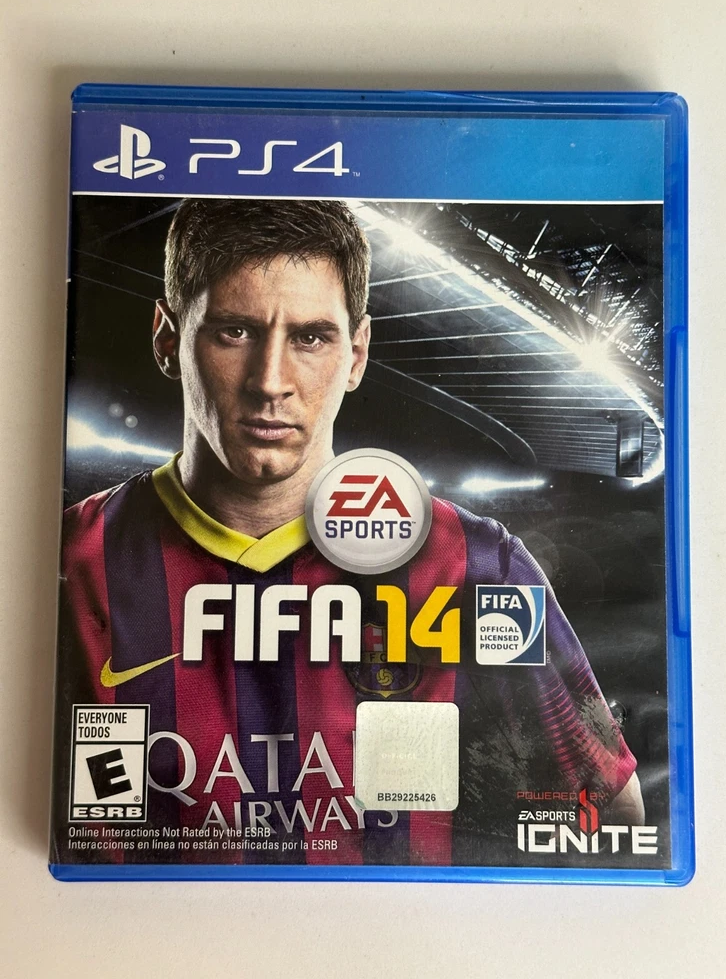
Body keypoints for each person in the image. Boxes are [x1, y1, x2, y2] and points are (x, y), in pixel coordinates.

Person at [59, 199, 643, 868]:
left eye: (311, 338)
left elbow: (614, 819)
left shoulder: (478, 568)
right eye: (234, 331)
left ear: (357, 353)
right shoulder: (70, 565)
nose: (271, 382)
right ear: (168, 337)